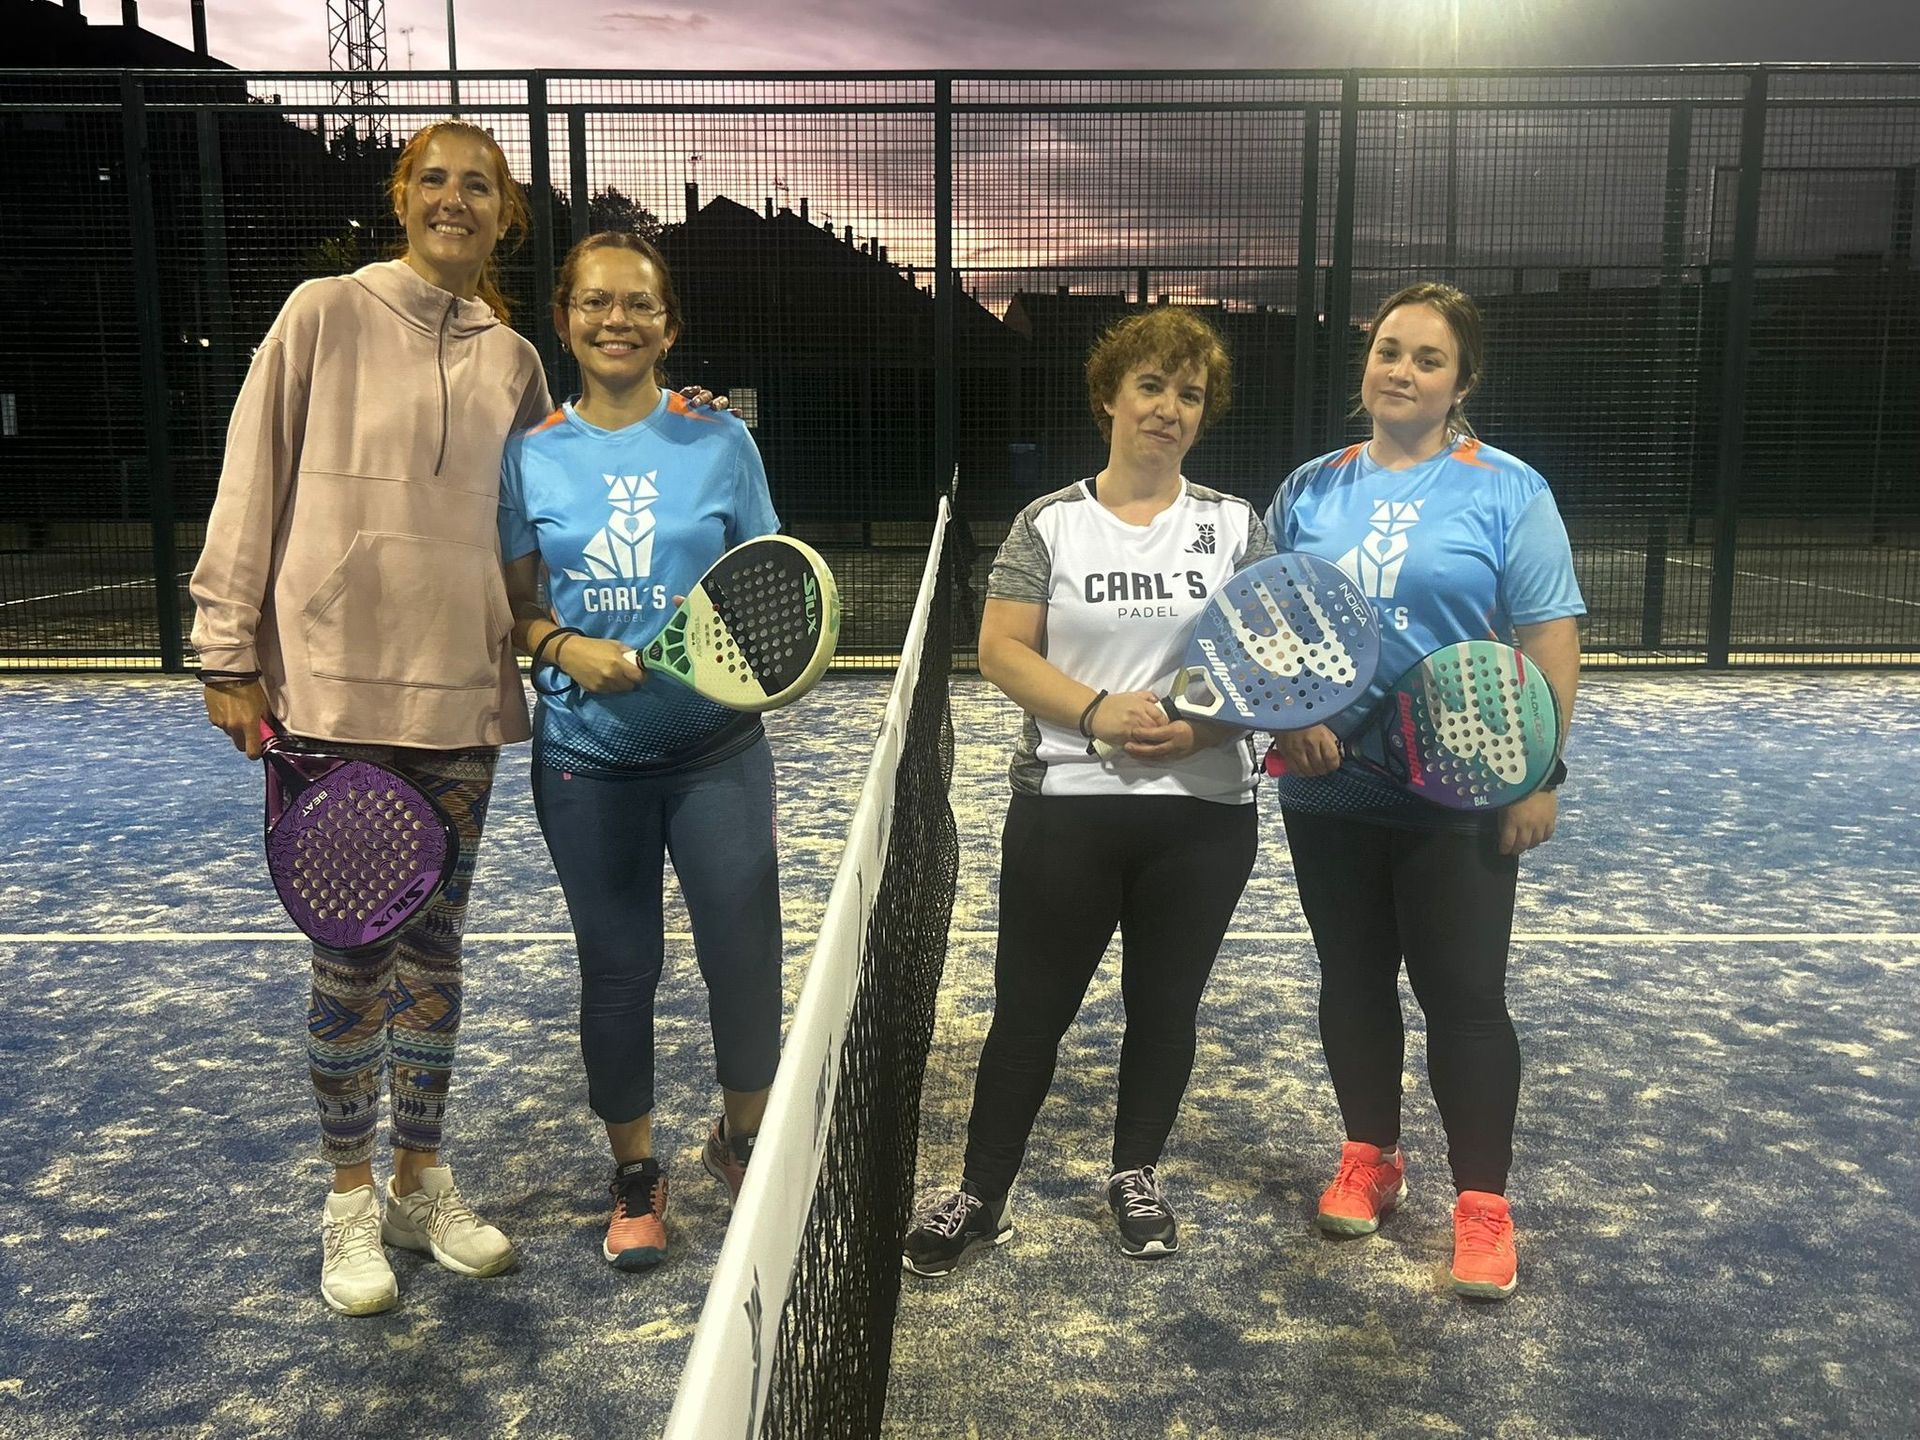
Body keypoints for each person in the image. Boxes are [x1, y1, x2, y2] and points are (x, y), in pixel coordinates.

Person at [190, 121, 552, 1315]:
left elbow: (551, 513)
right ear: (403, 198)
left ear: (506, 215)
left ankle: (419, 1177)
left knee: (436, 950)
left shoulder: (513, 359)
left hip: (459, 695)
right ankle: (347, 1197)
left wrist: (677, 418)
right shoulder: (322, 313)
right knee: (352, 963)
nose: (457, 200)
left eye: (480, 187)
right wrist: (227, 651)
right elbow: (254, 475)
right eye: (437, 179)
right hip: (334, 693)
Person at [903, 307, 1272, 1277]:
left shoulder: (1235, 526)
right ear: (1109, 395)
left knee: (1165, 1011)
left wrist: (1206, 726)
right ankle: (981, 1193)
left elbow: (1268, 667)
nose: (1169, 409)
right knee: (1029, 1013)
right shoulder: (1050, 522)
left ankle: (1135, 1173)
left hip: (1204, 815)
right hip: (1066, 803)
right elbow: (1001, 651)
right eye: (1152, 386)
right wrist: (1100, 712)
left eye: (1190, 394)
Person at [1265, 281, 1583, 1301]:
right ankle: (1371, 1156)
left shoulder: (1507, 489)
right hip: (1325, 784)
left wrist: (1537, 772)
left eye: (1427, 358)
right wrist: (1289, 715)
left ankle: (1483, 1205)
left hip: (1461, 793)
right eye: (1387, 349)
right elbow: (1268, 622)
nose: (1400, 369)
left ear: (1462, 382)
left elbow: (1548, 641)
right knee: (1352, 981)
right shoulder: (1308, 488)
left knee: (1465, 999)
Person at [497, 231, 782, 1272]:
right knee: (618, 971)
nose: (616, 321)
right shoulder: (529, 454)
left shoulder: (722, 442)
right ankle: (635, 1170)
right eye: (594, 303)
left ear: (670, 326)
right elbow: (517, 608)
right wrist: (567, 645)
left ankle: (742, 1142)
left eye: (639, 305)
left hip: (717, 751)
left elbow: (765, 586)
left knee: (743, 958)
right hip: (585, 760)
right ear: (565, 319)